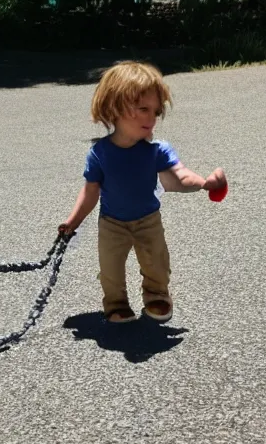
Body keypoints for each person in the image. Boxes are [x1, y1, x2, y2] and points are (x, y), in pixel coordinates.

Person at [59, 61, 227, 324]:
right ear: (114, 108)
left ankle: (157, 296)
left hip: (149, 219)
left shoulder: (157, 150)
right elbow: (90, 192)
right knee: (110, 268)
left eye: (156, 111)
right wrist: (73, 221)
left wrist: (204, 182)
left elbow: (180, 175)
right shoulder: (100, 153)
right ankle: (116, 304)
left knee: (156, 262)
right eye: (143, 109)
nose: (151, 118)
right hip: (111, 223)